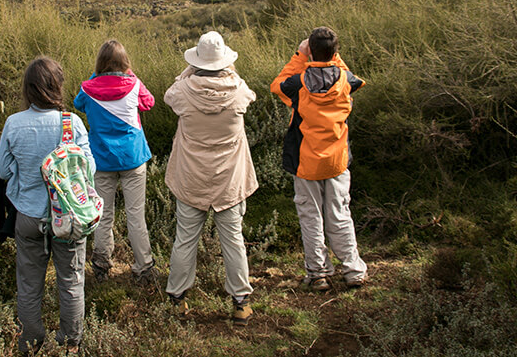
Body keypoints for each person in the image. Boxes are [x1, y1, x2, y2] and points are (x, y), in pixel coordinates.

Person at [0, 57, 95, 355]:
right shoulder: (72, 123)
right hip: (67, 219)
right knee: (71, 280)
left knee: (28, 283)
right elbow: (89, 168)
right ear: (58, 86)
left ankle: (31, 340)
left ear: (28, 89)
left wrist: (23, 181)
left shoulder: (13, 123)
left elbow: (2, 170)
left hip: (27, 216)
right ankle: (70, 342)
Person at [163, 31, 258, 326]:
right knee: (233, 241)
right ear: (224, 62)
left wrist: (190, 70)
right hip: (229, 180)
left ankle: (178, 299)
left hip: (191, 178)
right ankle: (241, 303)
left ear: (198, 62)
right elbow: (248, 94)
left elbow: (169, 94)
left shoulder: (182, 91)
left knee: (185, 239)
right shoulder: (239, 89)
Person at [270, 26, 367, 291]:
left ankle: (318, 273)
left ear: (310, 50)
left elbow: (277, 85)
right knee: (340, 214)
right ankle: (353, 270)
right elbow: (352, 77)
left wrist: (300, 56)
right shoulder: (346, 80)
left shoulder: (298, 84)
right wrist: (328, 56)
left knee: (310, 217)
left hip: (306, 161)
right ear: (335, 52)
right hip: (337, 160)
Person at [73, 39, 157, 284]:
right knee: (135, 216)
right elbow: (148, 103)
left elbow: (79, 104)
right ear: (125, 63)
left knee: (103, 214)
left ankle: (101, 264)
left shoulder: (88, 88)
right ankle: (144, 267)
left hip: (101, 160)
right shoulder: (134, 84)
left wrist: (96, 75)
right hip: (133, 158)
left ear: (99, 63)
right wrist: (129, 75)